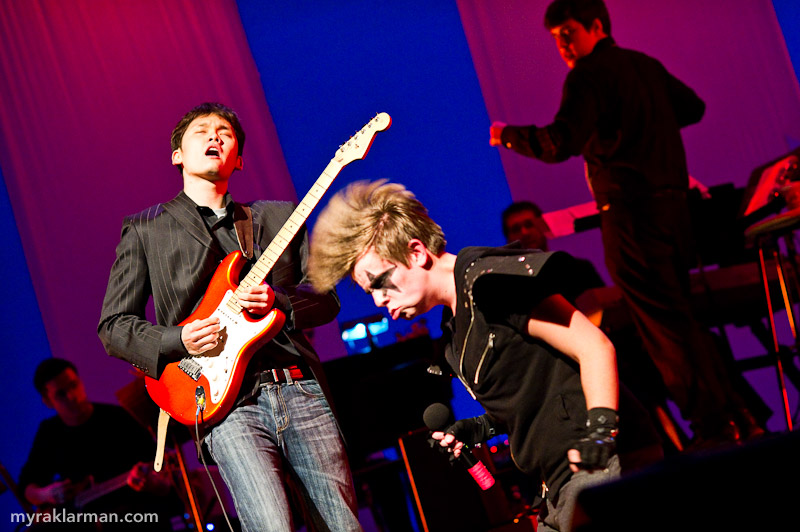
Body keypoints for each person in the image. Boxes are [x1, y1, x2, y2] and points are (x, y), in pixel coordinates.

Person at [308, 180, 662, 532]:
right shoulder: (455, 328)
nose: (379, 301)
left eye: (380, 283)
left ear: (416, 253)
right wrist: (478, 428)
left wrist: (601, 433)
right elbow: (529, 392)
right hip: (555, 484)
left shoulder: (490, 282)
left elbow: (594, 347)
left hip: (598, 465)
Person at [489, 0, 762, 445]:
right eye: (555, 37)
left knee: (662, 329)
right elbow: (692, 108)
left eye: (568, 33)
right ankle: (738, 416)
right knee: (681, 319)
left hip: (632, 218)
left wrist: (507, 135)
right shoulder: (643, 66)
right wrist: (639, 124)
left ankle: (713, 427)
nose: (562, 45)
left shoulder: (588, 76)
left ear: (596, 26)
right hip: (675, 214)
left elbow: (560, 143)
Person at [98, 102, 362, 532]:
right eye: (201, 131)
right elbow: (114, 328)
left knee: (342, 526)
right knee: (271, 526)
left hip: (299, 387)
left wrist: (277, 299)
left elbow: (326, 298)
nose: (215, 136)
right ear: (177, 154)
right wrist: (178, 341)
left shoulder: (278, 216)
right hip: (223, 405)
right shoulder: (146, 229)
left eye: (226, 132)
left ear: (238, 159)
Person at [18, 358, 178, 531]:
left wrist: (152, 481)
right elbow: (28, 486)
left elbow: (158, 467)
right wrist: (46, 494)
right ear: (48, 401)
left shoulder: (118, 419)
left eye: (74, 385)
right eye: (61, 394)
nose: (72, 396)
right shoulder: (49, 432)